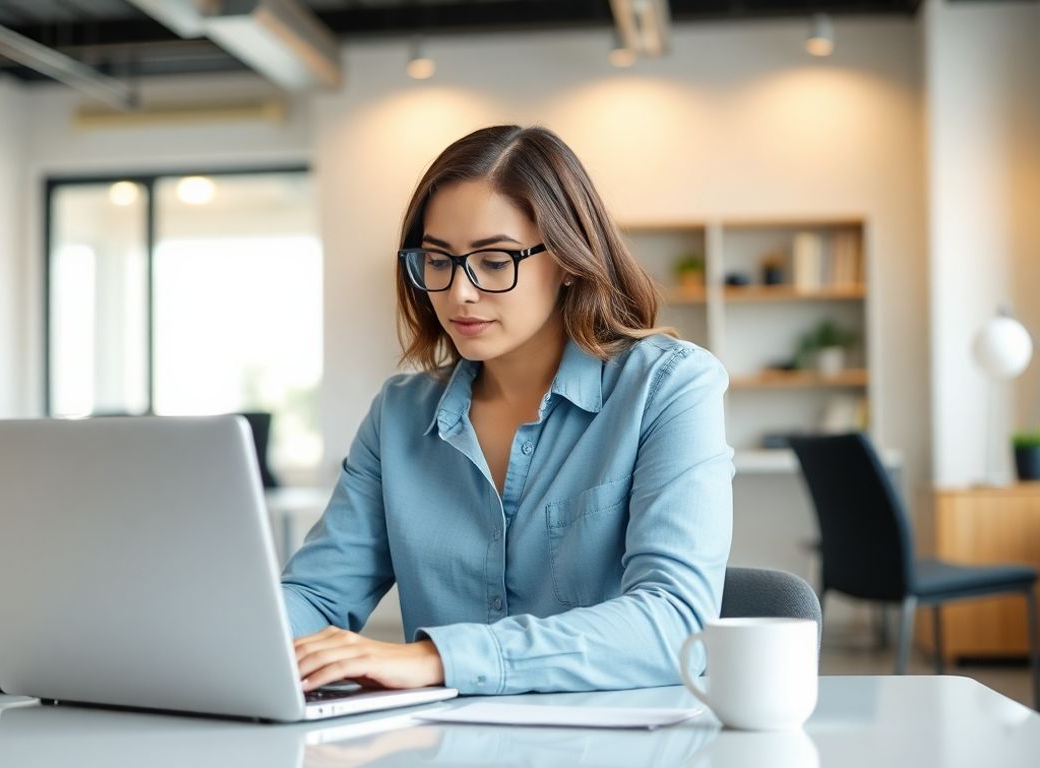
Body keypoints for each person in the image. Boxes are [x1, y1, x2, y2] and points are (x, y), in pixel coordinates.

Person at [283, 125, 733, 696]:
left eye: (494, 261)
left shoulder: (669, 387)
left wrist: (438, 659)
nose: (458, 293)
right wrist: (235, 638)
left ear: (570, 258)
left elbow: (676, 622)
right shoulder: (399, 415)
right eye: (438, 260)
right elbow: (318, 595)